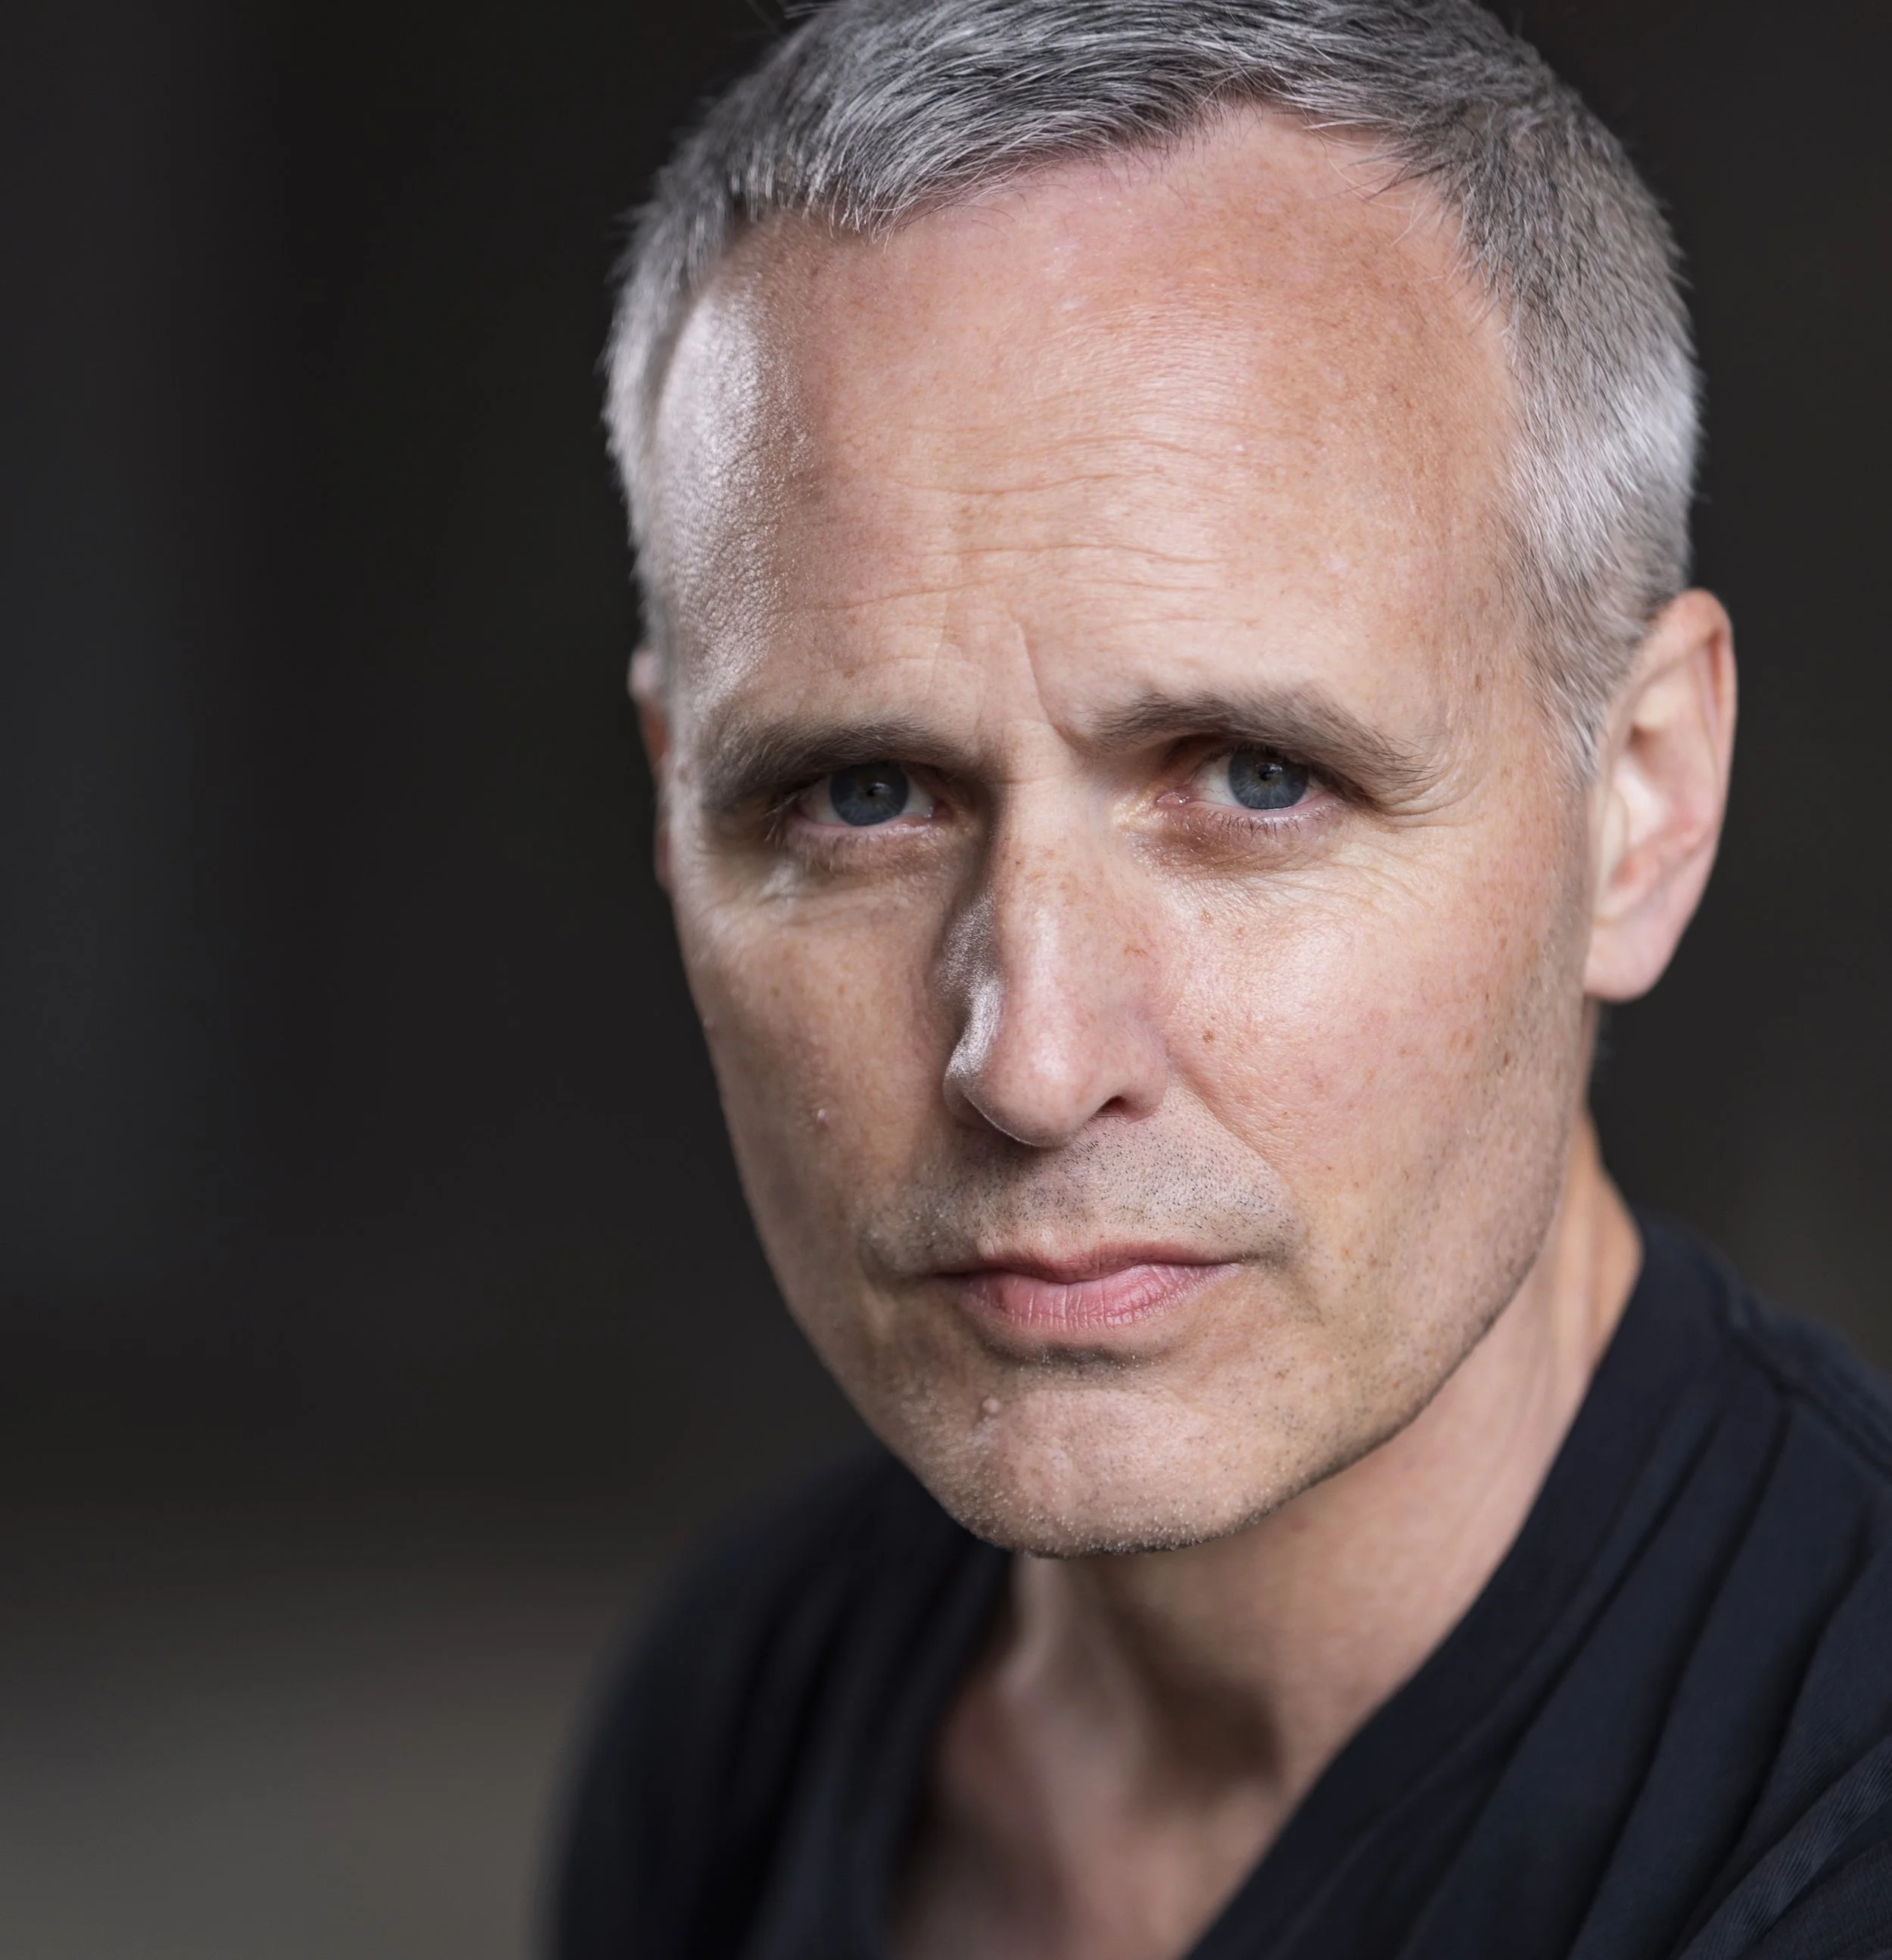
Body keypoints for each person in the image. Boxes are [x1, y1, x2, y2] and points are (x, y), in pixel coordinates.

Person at [555, 3, 1892, 1955]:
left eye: (1257, 779)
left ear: (1645, 800)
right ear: (677, 815)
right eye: (863, 797)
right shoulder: (736, 1721)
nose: (1030, 1062)